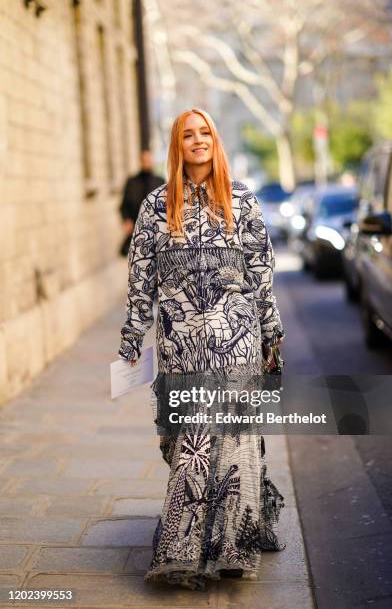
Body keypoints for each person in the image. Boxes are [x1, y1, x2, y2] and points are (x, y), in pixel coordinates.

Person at [118, 108, 286, 589]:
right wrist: (132, 336)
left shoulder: (242, 201)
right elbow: (140, 280)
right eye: (188, 135)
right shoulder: (156, 206)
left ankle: (233, 548)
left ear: (216, 138)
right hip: (180, 346)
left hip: (237, 342)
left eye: (205, 132)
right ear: (177, 146)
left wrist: (271, 332)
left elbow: (262, 275)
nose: (197, 140)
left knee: (235, 446)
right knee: (189, 446)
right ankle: (182, 552)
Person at [119, 150, 165, 256]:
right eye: (144, 160)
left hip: (156, 229)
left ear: (152, 161)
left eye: (149, 160)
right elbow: (123, 206)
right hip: (136, 230)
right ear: (140, 162)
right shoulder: (131, 182)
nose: (147, 162)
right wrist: (126, 220)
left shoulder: (160, 181)